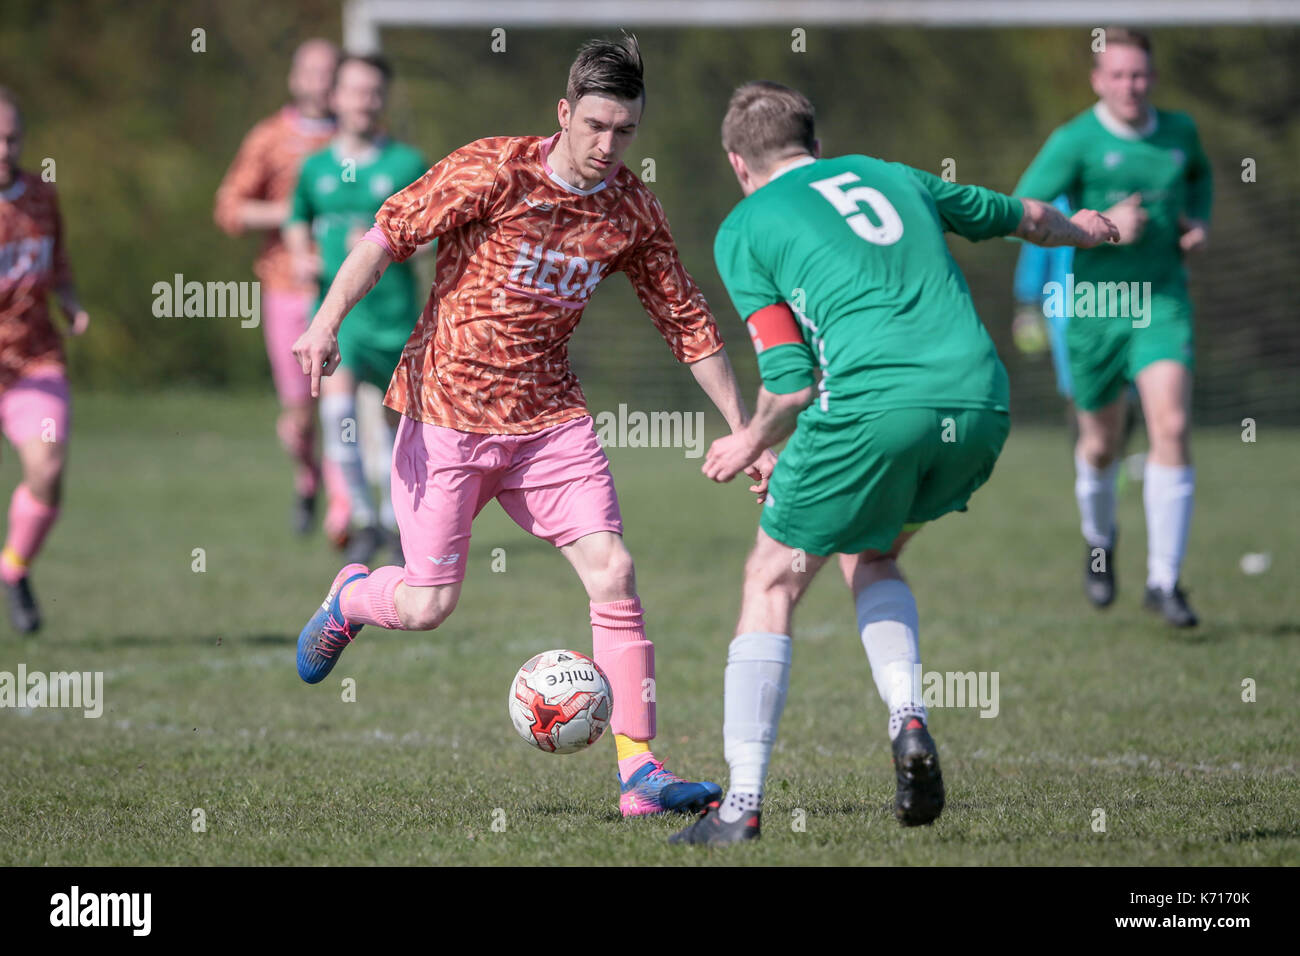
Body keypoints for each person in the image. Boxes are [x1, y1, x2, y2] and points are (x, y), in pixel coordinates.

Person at [292, 35, 775, 817]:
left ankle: (640, 773)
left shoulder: (629, 208)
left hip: (550, 421)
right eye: (595, 126)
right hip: (446, 414)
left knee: (613, 570)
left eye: (625, 131)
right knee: (426, 606)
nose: (609, 146)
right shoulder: (494, 168)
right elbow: (386, 236)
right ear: (563, 113)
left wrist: (744, 431)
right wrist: (323, 326)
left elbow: (685, 319)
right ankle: (351, 598)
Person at [671, 81, 1118, 845]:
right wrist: (1093, 230)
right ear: (812, 141)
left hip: (875, 410)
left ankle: (739, 808)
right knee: (871, 552)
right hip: (979, 403)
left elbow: (791, 381)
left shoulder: (745, 226)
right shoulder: (895, 174)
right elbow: (1030, 217)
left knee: (770, 578)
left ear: (737, 161)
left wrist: (751, 441)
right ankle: (908, 720)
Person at [1014, 27, 1212, 626]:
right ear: (1100, 80)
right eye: (1119, 75)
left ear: (1152, 77)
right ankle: (1100, 545)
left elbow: (1199, 179)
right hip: (1096, 310)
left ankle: (1164, 580)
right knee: (1100, 443)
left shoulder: (1180, 133)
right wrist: (1092, 226)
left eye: (1141, 74)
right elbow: (1022, 211)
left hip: (1160, 301)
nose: (1132, 86)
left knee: (1170, 424)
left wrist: (1196, 222)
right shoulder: (1075, 140)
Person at [284, 53, 427, 567]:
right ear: (335, 97)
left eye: (373, 91)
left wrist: (382, 246)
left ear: (383, 99)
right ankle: (362, 519)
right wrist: (301, 252)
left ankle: (392, 520)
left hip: (395, 318)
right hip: (339, 317)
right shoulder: (315, 167)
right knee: (338, 412)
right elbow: (296, 216)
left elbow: (433, 238)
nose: (364, 101)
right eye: (354, 90)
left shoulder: (407, 165)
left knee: (396, 430)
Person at [214, 39, 351, 542]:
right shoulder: (270, 137)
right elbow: (229, 207)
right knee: (300, 415)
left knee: (343, 401)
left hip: (345, 293)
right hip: (286, 288)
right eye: (311, 72)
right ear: (295, 79)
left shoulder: (357, 141)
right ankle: (307, 474)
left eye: (330, 73)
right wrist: (293, 216)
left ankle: (345, 507)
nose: (321, 82)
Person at [0, 88, 90, 633]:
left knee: (48, 466)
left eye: (10, 137)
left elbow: (57, 263)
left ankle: (14, 568)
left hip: (34, 360)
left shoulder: (40, 194)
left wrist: (71, 301)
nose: (2, 148)